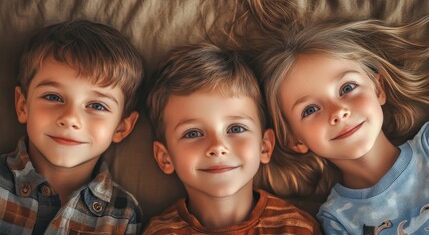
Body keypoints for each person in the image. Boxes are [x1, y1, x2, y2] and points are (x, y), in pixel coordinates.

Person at [256, 16, 429, 234]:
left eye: (347, 88)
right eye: (310, 110)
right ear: (294, 138)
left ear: (378, 90)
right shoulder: (337, 220)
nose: (337, 112)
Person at [143, 43, 320, 234]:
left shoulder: (296, 228)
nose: (218, 146)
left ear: (264, 146)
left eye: (236, 128)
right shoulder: (159, 231)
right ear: (165, 157)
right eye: (193, 133)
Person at [0, 20, 144, 234]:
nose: (70, 118)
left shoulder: (122, 215)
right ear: (23, 106)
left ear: (121, 127)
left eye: (97, 105)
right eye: (53, 96)